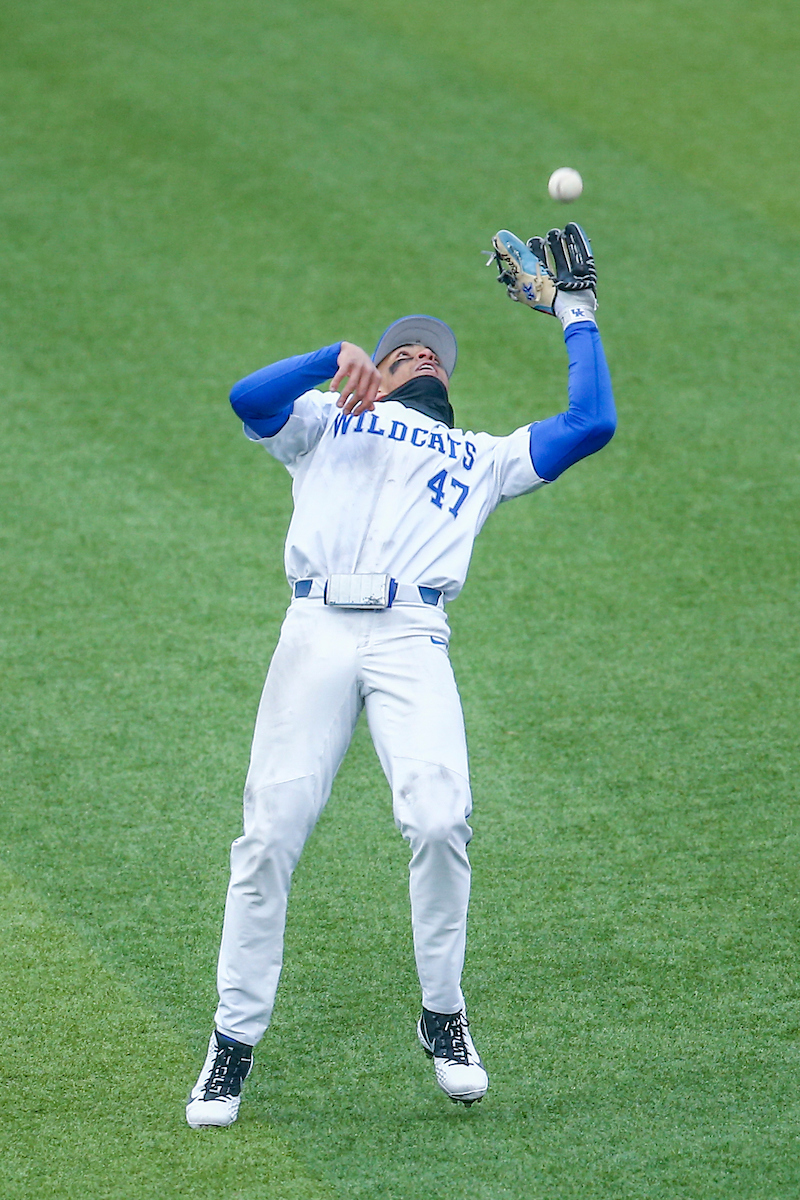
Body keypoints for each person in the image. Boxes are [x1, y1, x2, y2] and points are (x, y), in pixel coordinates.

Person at [186, 224, 616, 1127]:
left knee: (438, 816)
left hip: (412, 634)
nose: (422, 350)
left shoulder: (485, 456)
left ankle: (443, 1016)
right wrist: (324, 360)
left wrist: (576, 316)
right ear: (376, 368)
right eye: (401, 346)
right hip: (315, 631)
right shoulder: (324, 424)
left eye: (437, 352)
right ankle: (232, 1045)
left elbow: (592, 423)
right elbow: (243, 398)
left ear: (448, 381)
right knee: (269, 834)